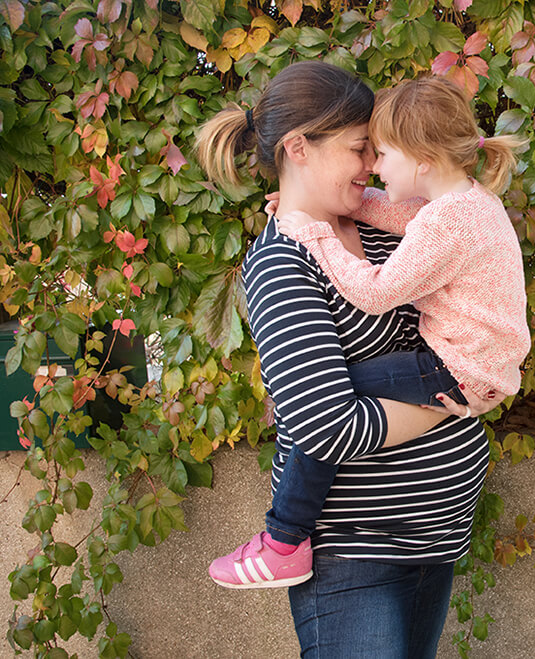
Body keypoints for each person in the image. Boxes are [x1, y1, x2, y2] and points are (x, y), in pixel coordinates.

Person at [196, 61, 509, 657]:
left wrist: (479, 372)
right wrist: (458, 404)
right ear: (299, 148)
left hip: (433, 540)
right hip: (354, 553)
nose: (372, 166)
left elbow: (460, 333)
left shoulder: (395, 228)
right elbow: (325, 423)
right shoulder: (284, 264)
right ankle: (281, 542)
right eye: (359, 149)